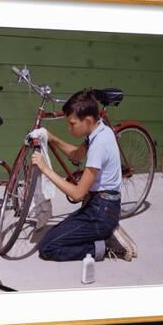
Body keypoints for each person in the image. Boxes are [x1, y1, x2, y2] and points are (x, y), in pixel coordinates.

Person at [32, 89, 137, 261]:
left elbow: (77, 193)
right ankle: (105, 233)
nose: (69, 128)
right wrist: (53, 139)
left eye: (72, 124)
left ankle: (106, 245)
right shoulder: (100, 130)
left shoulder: (99, 145)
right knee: (53, 236)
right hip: (100, 206)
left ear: (88, 120)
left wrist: (45, 169)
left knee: (48, 247)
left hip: (101, 213)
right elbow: (76, 155)